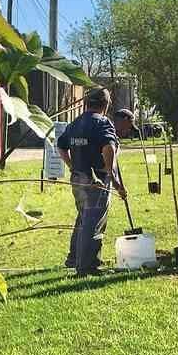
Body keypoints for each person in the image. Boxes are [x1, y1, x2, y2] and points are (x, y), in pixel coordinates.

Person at [57, 88, 127, 276]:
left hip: (77, 179)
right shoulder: (103, 123)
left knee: (83, 218)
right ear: (105, 105)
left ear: (87, 103)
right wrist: (113, 178)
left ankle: (73, 258)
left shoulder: (75, 123)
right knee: (93, 222)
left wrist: (72, 166)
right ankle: (87, 266)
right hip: (96, 180)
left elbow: (61, 146)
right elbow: (109, 148)